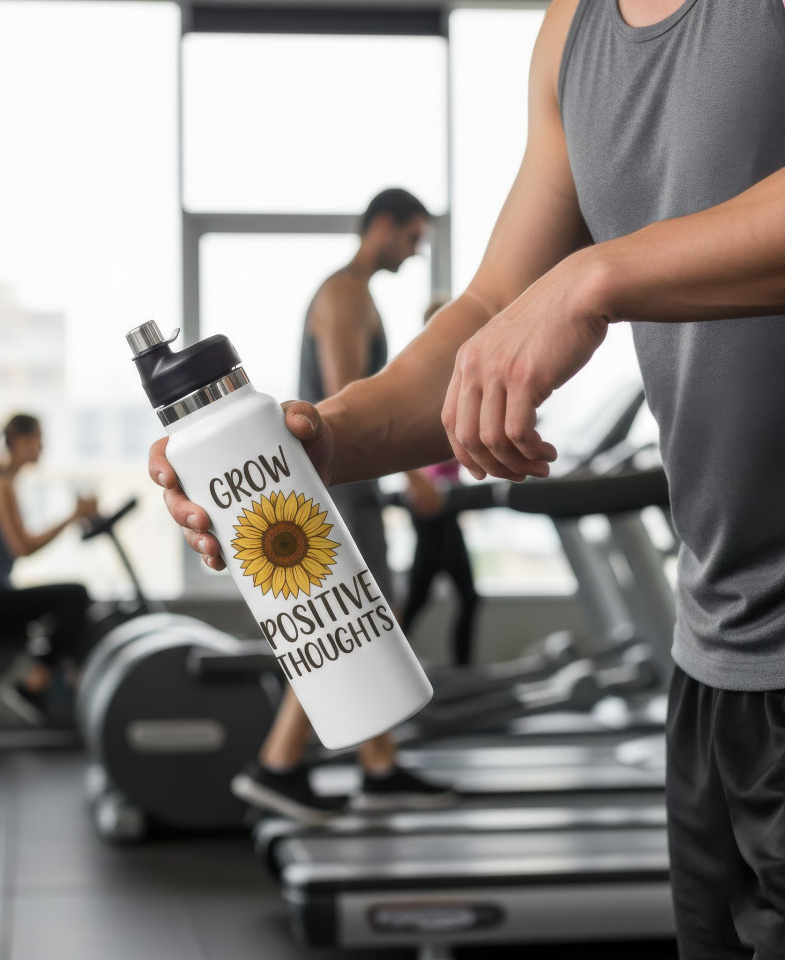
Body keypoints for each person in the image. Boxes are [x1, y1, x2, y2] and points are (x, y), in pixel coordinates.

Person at [154, 1, 785, 951]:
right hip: (716, 655)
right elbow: (493, 302)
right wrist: (317, 442)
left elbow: (558, 286)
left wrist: (591, 279)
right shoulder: (575, 27)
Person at [233, 189, 457, 822]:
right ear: (382, 226)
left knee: (359, 622)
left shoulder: (354, 293)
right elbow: (348, 402)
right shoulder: (345, 294)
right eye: (412, 237)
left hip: (342, 487)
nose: (414, 253)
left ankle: (378, 769)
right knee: (351, 625)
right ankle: (277, 763)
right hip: (337, 486)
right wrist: (415, 476)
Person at [0, 413, 98, 724]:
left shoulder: (2, 484)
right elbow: (22, 548)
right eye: (38, 439)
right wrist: (72, 516)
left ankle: (49, 677)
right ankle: (38, 680)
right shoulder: (0, 486)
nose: (42, 447)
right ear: (20, 442)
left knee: (70, 597)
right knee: (75, 595)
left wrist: (74, 517)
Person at [401, 299, 480, 666]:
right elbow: (404, 434)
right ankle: (396, 670)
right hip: (430, 503)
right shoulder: (425, 378)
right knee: (426, 596)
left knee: (460, 595)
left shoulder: (457, 374)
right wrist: (418, 485)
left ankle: (463, 674)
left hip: (446, 501)